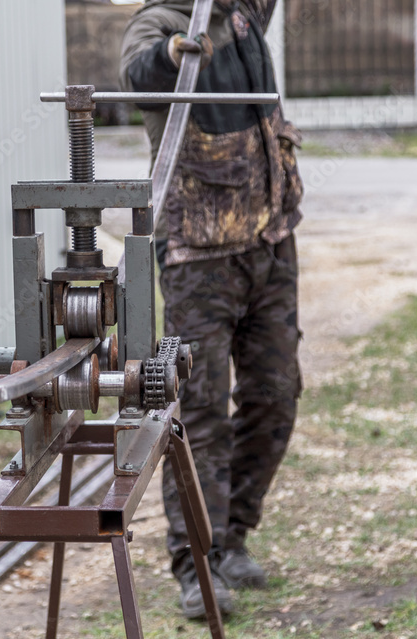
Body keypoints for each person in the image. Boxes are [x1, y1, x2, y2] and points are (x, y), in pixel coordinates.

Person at [120, 0, 304, 619]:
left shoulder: (245, 12)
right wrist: (176, 52)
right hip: (198, 256)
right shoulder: (161, 22)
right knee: (199, 413)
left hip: (270, 243)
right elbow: (137, 73)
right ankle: (197, 564)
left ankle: (234, 539)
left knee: (276, 395)